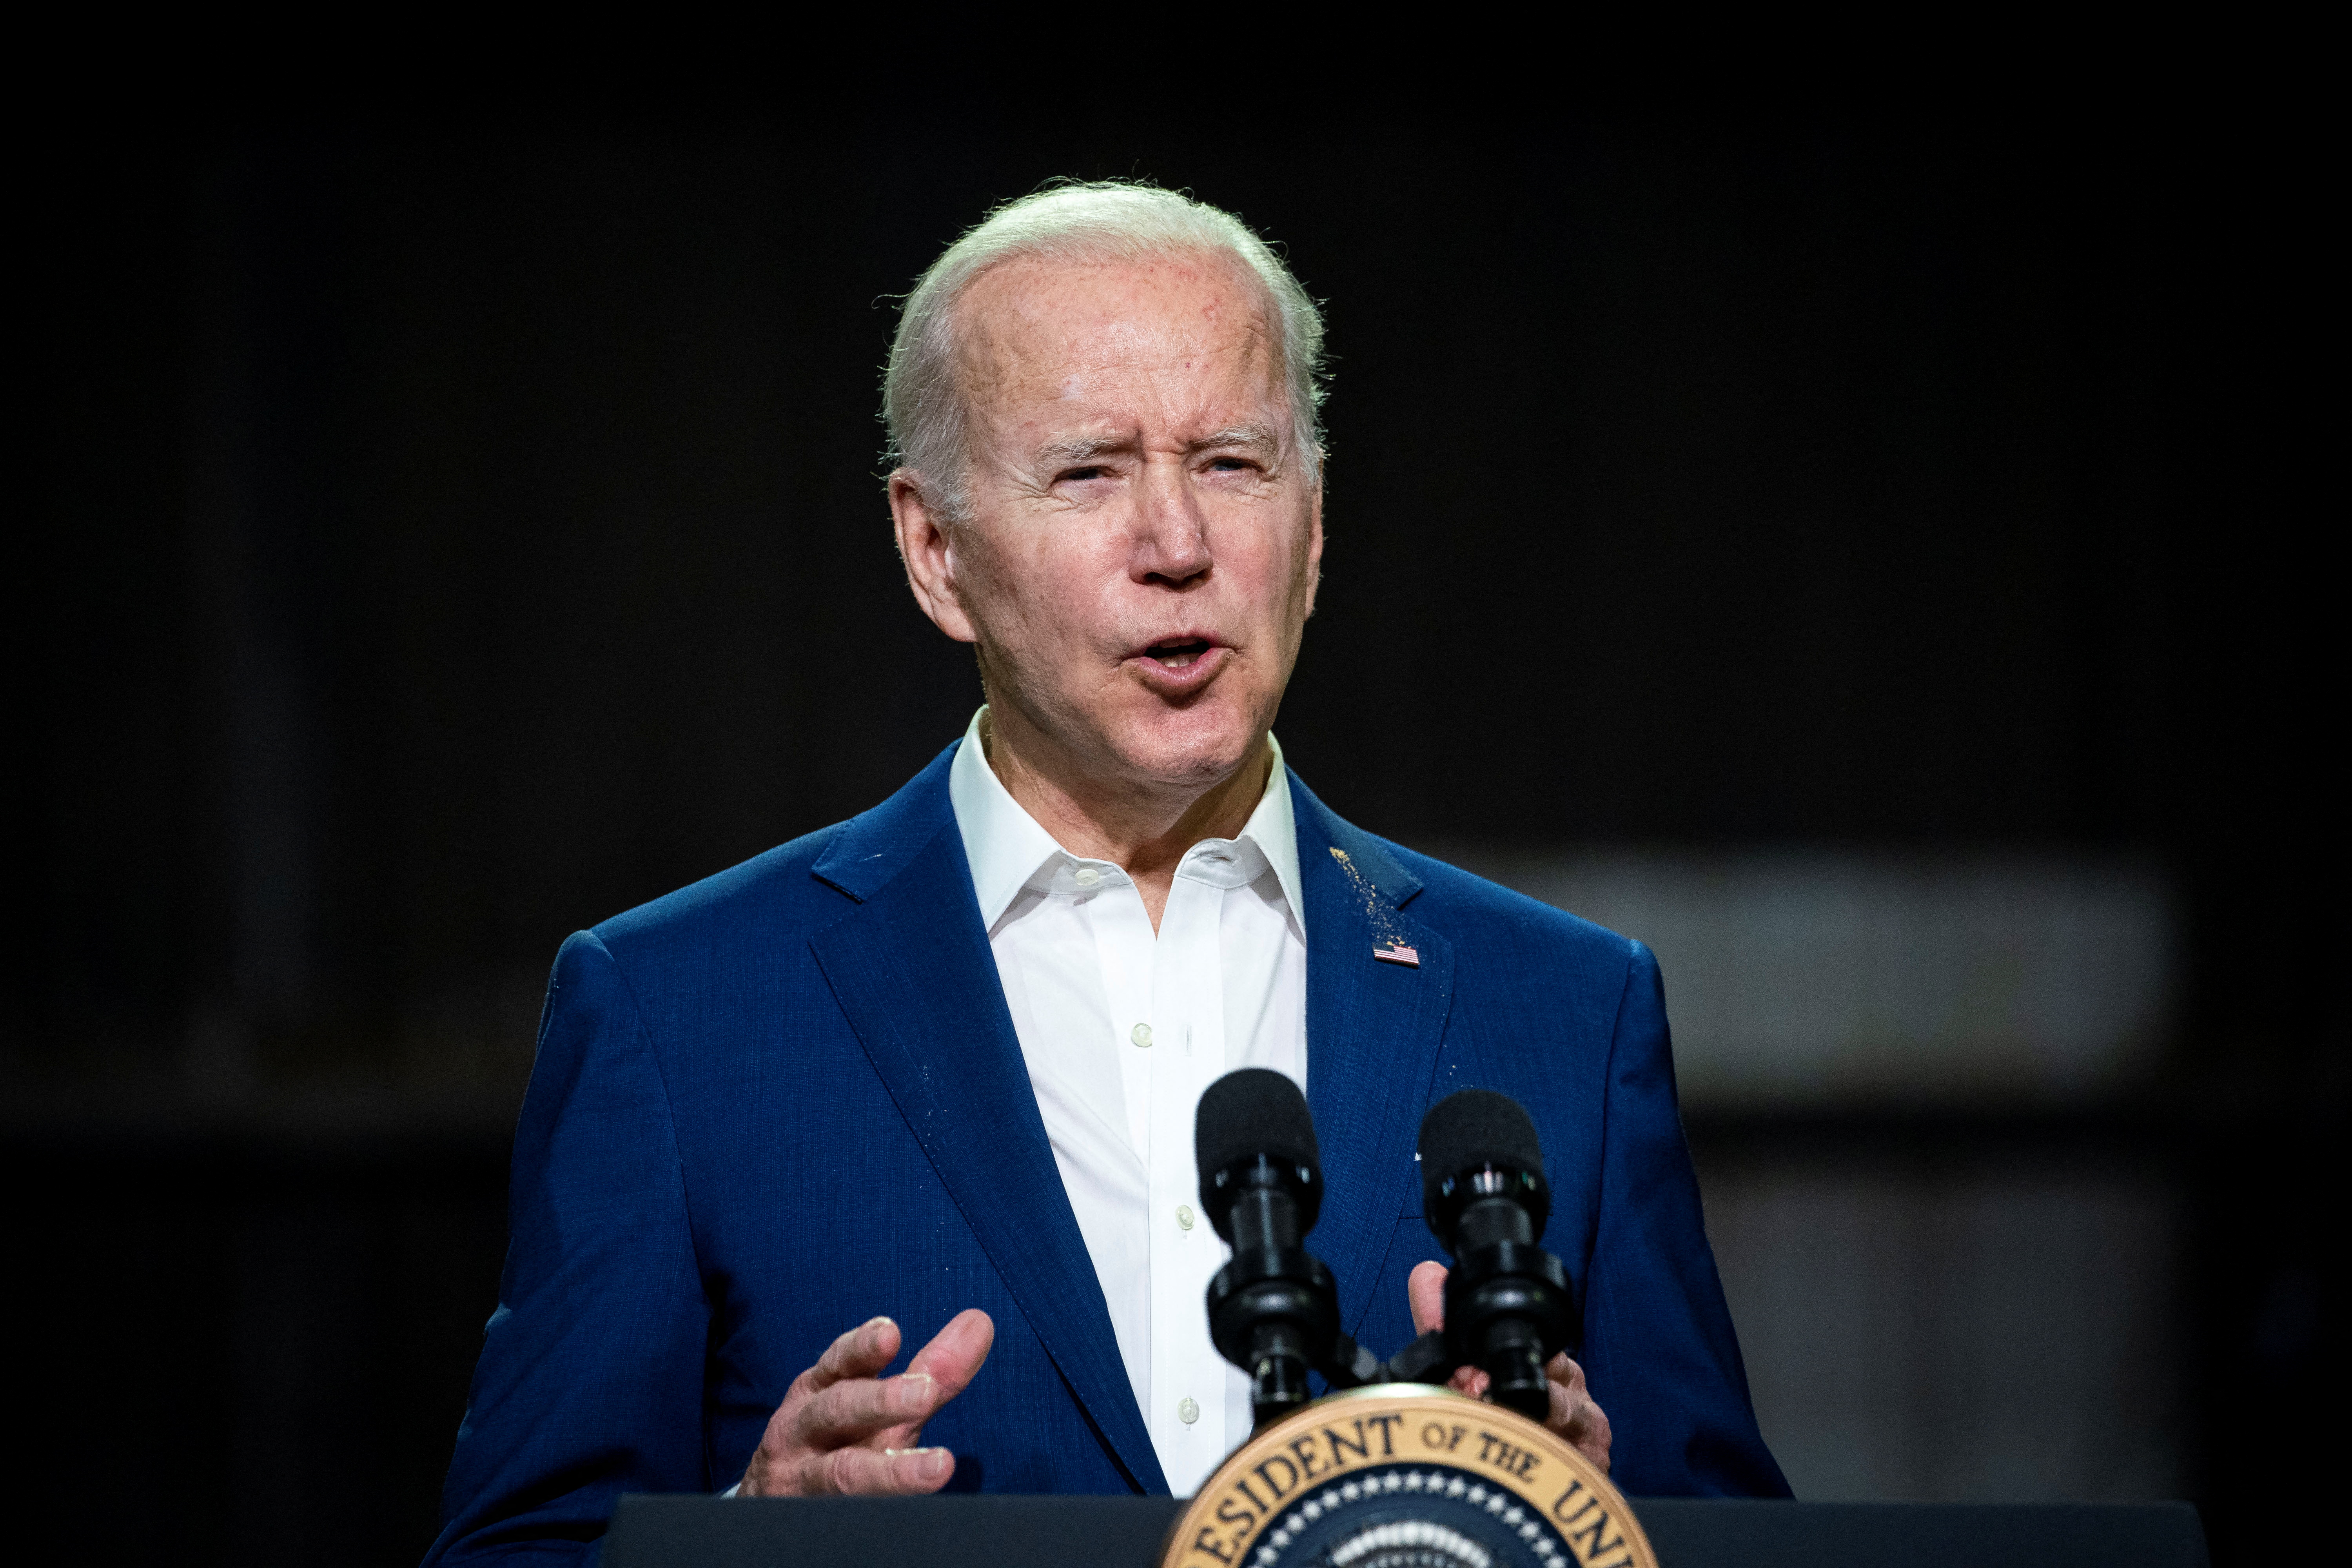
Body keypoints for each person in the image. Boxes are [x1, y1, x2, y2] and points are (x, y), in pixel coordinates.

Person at [427, 181, 1788, 1563]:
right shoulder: (679, 1012)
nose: (1180, 548)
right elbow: (512, 1551)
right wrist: (743, 1536)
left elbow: (1735, 1537)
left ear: (1311, 535)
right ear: (936, 551)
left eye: (1232, 464)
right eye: (1091, 471)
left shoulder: (1566, 1008)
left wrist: (1601, 1524)